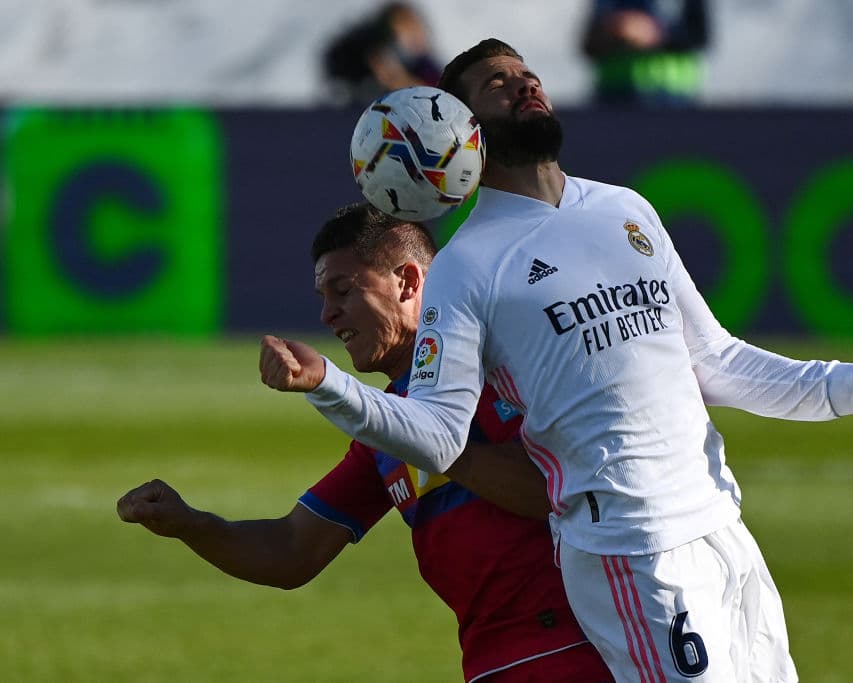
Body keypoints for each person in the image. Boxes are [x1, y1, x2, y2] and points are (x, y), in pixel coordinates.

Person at [259, 40, 853, 682]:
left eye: (526, 73)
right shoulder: (467, 266)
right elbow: (444, 437)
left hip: (723, 527)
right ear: (461, 129)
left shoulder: (625, 210)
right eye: (496, 82)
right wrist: (331, 386)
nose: (523, 83)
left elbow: (716, 360)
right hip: (632, 552)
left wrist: (851, 385)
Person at [119, 203, 613, 682]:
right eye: (323, 298)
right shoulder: (385, 431)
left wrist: (414, 435)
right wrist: (191, 524)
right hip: (492, 660)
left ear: (409, 282)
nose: (328, 315)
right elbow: (292, 550)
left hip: (586, 647)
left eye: (343, 291)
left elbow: (557, 493)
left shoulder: (508, 365)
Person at [582, 0, 711, 105]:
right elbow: (588, 44)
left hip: (675, 99)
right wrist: (613, 29)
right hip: (613, 95)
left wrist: (656, 33)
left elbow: (700, 35)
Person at [321, 2, 442, 106]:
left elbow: (439, 93)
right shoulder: (379, 51)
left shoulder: (424, 63)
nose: (417, 35)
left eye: (416, 27)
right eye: (405, 28)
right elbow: (394, 80)